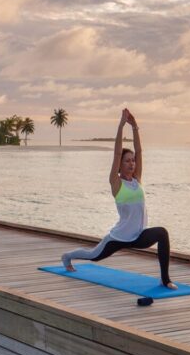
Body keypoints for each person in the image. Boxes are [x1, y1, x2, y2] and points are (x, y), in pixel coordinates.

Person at [61, 108, 177, 290]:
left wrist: (135, 126)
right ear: (120, 165)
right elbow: (116, 154)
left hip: (139, 235)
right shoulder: (116, 183)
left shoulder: (137, 180)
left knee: (162, 233)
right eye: (127, 161)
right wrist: (121, 125)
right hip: (119, 237)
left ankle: (165, 279)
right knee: (94, 255)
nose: (132, 163)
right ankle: (67, 256)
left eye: (133, 161)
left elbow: (140, 151)